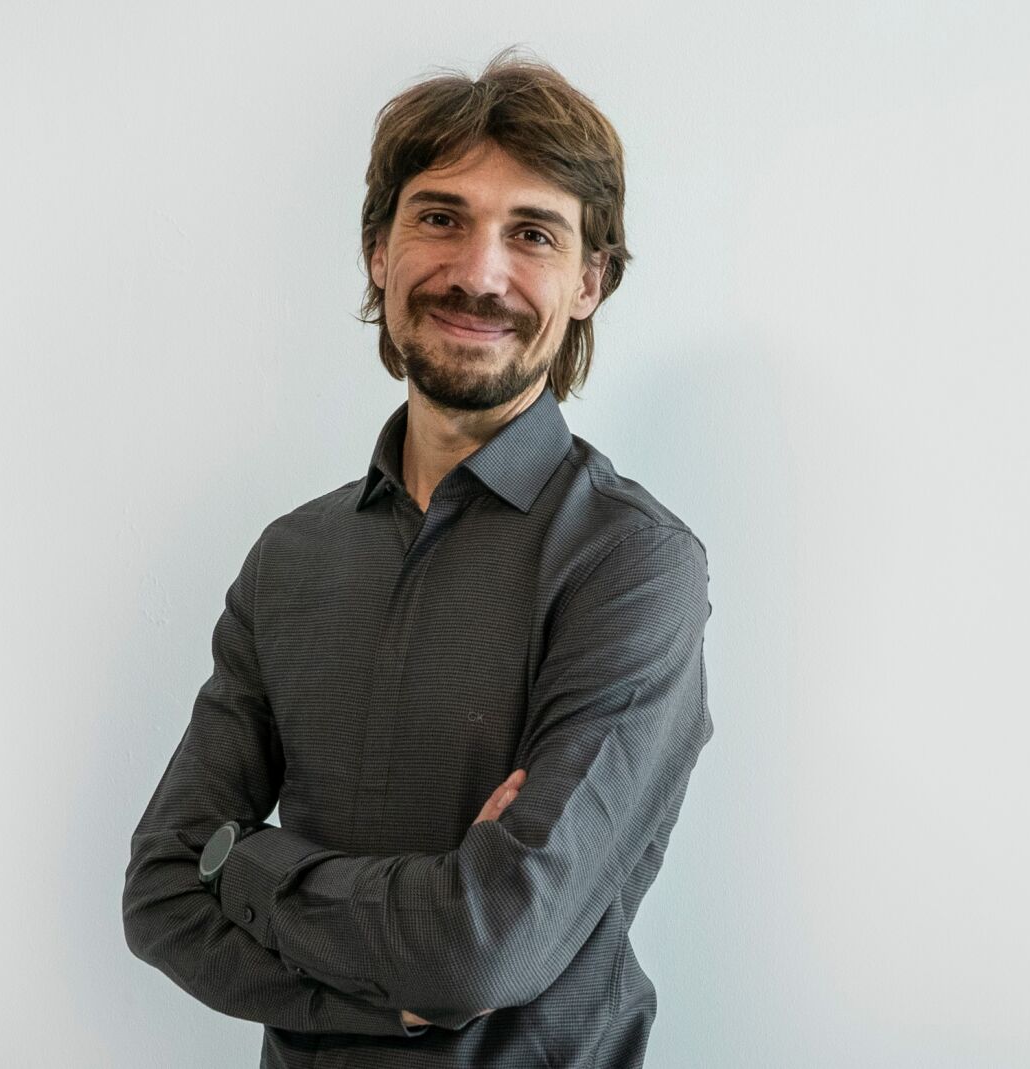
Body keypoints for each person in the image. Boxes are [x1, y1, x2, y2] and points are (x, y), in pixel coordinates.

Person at [122, 46, 714, 1068]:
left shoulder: (632, 564)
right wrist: (398, 997)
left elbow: (483, 946)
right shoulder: (289, 560)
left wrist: (248, 864)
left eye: (532, 233)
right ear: (377, 253)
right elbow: (162, 896)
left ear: (589, 282)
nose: (478, 274)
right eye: (440, 218)